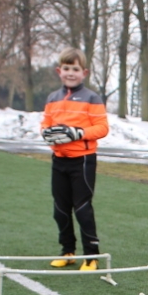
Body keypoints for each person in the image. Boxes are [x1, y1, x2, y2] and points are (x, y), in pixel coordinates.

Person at [40, 48, 110, 269]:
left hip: (83, 160)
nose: (71, 73)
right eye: (67, 69)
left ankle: (91, 256)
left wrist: (78, 133)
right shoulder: (53, 98)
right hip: (59, 160)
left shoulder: (92, 98)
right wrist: (47, 134)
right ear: (59, 71)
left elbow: (102, 128)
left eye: (76, 69)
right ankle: (67, 250)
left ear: (84, 72)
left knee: (82, 208)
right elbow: (46, 124)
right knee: (60, 209)